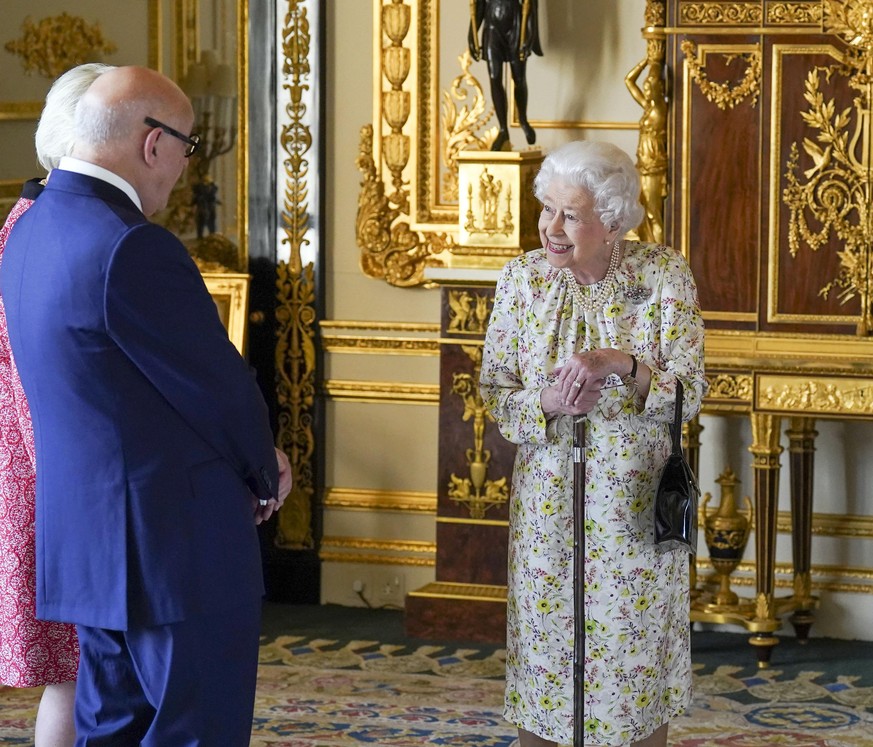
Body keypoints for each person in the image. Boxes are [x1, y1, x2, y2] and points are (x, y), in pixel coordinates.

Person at [1, 65, 293, 746]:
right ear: (153, 143)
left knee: (109, 728)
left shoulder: (27, 231)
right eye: (188, 149)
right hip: (171, 547)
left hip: (87, 543)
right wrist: (264, 466)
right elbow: (215, 384)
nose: (184, 170)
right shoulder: (132, 243)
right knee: (195, 729)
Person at [479, 140, 706, 747]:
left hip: (632, 514)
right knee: (545, 665)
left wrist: (624, 365)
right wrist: (546, 406)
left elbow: (691, 392)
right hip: (547, 512)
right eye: (546, 209)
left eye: (569, 215)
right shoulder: (521, 281)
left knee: (630, 676)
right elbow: (495, 392)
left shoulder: (662, 276)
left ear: (609, 222)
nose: (550, 228)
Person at [0, 61, 114, 747]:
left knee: (75, 676)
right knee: (76, 674)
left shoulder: (25, 221)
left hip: (40, 471)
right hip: (53, 477)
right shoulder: (47, 230)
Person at [468, 0, 542, 152]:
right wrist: (472, 33)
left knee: (519, 78)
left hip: (515, 24)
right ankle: (503, 130)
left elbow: (530, 6)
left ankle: (523, 119)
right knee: (494, 78)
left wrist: (529, 34)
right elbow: (479, 5)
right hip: (492, 27)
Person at [625, 39, 669, 245]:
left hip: (653, 169)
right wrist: (647, 61)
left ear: (659, 89)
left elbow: (639, 85)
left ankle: (660, 256)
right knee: (642, 213)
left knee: (653, 215)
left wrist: (655, 64)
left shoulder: (659, 110)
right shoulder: (649, 107)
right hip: (643, 166)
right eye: (646, 88)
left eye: (651, 87)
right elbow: (628, 81)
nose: (647, 91)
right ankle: (650, 250)